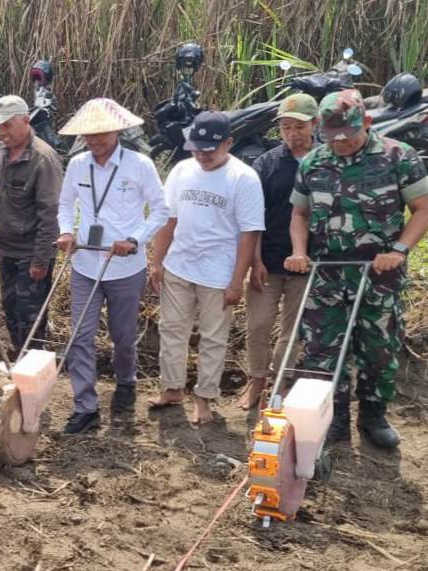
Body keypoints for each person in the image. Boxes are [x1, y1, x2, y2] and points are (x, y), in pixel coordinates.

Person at [286, 90, 428, 448]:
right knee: (321, 350)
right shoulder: (313, 163)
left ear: (366, 123)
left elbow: (423, 209)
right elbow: (299, 214)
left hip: (378, 274)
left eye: (347, 137)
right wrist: (299, 251)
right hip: (327, 276)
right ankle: (333, 418)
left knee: (378, 348)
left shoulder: (399, 156)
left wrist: (397, 249)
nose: (340, 144)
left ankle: (373, 414)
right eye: (332, 138)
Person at [55, 98, 169, 432]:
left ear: (118, 130)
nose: (94, 140)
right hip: (86, 263)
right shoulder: (77, 165)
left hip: (125, 267)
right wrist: (65, 231)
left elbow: (160, 210)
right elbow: (65, 204)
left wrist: (134, 239)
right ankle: (85, 407)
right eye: (88, 134)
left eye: (101, 133)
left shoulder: (139, 165)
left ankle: (127, 381)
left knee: (122, 337)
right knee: (80, 335)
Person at [149, 111, 265, 424]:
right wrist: (157, 261)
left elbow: (249, 233)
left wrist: (236, 281)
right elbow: (169, 219)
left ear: (229, 143)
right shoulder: (181, 170)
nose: (202, 155)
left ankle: (204, 397)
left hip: (218, 273)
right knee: (172, 330)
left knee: (213, 338)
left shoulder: (243, 178)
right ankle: (172, 389)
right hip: (179, 265)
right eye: (196, 148)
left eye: (209, 150)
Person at [239, 94, 317, 409]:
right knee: (257, 324)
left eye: (298, 126)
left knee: (293, 329)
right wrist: (254, 260)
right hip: (268, 261)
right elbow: (251, 217)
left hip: (308, 263)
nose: (292, 133)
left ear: (315, 124)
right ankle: (256, 380)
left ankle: (279, 382)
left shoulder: (325, 161)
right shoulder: (267, 163)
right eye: (285, 127)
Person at [0, 94, 62, 358]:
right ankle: (21, 364)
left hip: (31, 254)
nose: (1, 132)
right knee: (11, 310)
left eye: (7, 125)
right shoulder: (0, 155)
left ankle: (33, 372)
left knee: (31, 317)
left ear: (26, 121)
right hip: (7, 251)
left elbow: (50, 214)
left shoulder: (43, 158)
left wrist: (41, 260)